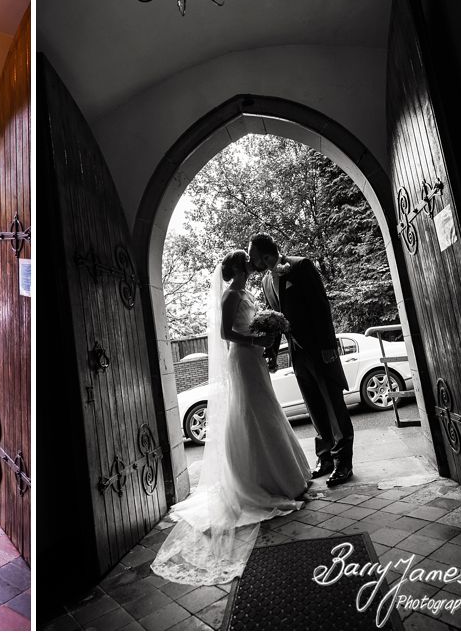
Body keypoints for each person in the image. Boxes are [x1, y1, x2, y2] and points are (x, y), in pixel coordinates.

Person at [151, 250, 310, 585]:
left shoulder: (247, 293)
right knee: (254, 415)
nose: (252, 266)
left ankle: (285, 476)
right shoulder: (229, 296)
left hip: (253, 356)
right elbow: (225, 335)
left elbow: (251, 326)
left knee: (267, 413)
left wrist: (267, 342)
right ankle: (260, 481)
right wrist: (256, 339)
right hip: (241, 358)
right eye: (246, 263)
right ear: (236, 268)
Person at [248, 232, 354, 487]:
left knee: (332, 404)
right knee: (314, 405)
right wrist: (272, 353)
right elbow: (274, 319)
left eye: (254, 257)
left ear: (265, 254)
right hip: (297, 354)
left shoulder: (301, 266)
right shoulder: (265, 282)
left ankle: (344, 463)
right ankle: (325, 457)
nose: (252, 263)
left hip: (319, 349)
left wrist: (329, 346)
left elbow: (321, 307)